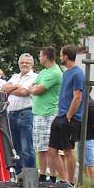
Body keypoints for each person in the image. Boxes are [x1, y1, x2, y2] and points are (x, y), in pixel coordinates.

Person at [46, 45, 84, 186]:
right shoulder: (66, 73)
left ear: (66, 56)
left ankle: (71, 181)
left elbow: (77, 97)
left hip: (70, 117)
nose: (60, 58)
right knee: (52, 150)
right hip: (60, 115)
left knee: (68, 150)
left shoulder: (77, 73)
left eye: (61, 55)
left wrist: (69, 115)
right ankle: (63, 180)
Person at [30, 47, 62, 181]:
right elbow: (33, 85)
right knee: (40, 148)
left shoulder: (54, 72)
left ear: (45, 57)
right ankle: (42, 174)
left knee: (51, 148)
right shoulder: (43, 72)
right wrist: (33, 87)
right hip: (38, 113)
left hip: (49, 114)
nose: (39, 58)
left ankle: (53, 175)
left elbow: (38, 89)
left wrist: (33, 88)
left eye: (40, 55)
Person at [1, 53, 37, 172]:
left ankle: (30, 173)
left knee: (26, 146)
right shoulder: (15, 76)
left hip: (25, 113)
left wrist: (12, 89)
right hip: (11, 114)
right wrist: (17, 86)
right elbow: (3, 89)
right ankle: (19, 172)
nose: (24, 64)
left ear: (32, 64)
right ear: (19, 64)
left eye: (27, 62)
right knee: (15, 146)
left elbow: (24, 92)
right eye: (22, 62)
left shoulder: (35, 77)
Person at [83, 96, 94, 180]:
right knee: (84, 163)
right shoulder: (84, 102)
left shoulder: (89, 105)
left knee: (90, 163)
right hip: (82, 137)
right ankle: (87, 181)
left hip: (88, 137)